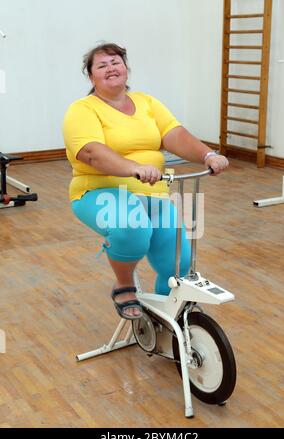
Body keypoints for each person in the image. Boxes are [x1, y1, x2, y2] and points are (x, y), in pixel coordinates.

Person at [63, 42, 229, 320]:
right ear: (91, 78)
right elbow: (91, 153)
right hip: (99, 191)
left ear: (126, 69)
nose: (110, 68)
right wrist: (133, 168)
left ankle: (166, 315)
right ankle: (124, 285)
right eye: (101, 65)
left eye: (115, 62)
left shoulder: (147, 102)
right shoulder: (82, 110)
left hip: (153, 192)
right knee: (132, 229)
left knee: (178, 262)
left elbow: (174, 134)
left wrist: (208, 155)